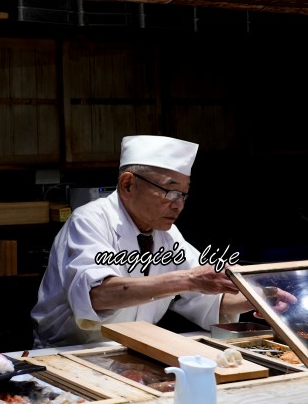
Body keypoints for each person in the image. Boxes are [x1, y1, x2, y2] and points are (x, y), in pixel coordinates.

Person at [31, 135, 259, 348]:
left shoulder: (167, 235)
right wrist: (190, 279)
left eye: (184, 194)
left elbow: (211, 297)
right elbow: (98, 295)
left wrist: (262, 297)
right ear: (128, 185)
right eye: (169, 191)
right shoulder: (89, 220)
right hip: (68, 352)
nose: (178, 204)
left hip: (132, 351)